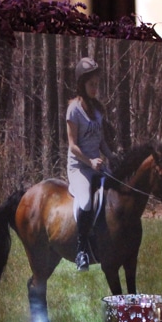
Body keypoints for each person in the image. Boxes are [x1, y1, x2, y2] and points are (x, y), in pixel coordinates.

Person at [67, 57, 117, 271]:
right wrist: (89, 161)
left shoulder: (97, 110)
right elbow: (72, 146)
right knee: (87, 201)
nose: (95, 88)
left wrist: (111, 155)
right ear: (82, 85)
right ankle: (81, 252)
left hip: (97, 165)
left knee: (116, 192)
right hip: (79, 167)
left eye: (97, 84)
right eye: (91, 84)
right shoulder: (73, 110)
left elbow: (101, 140)